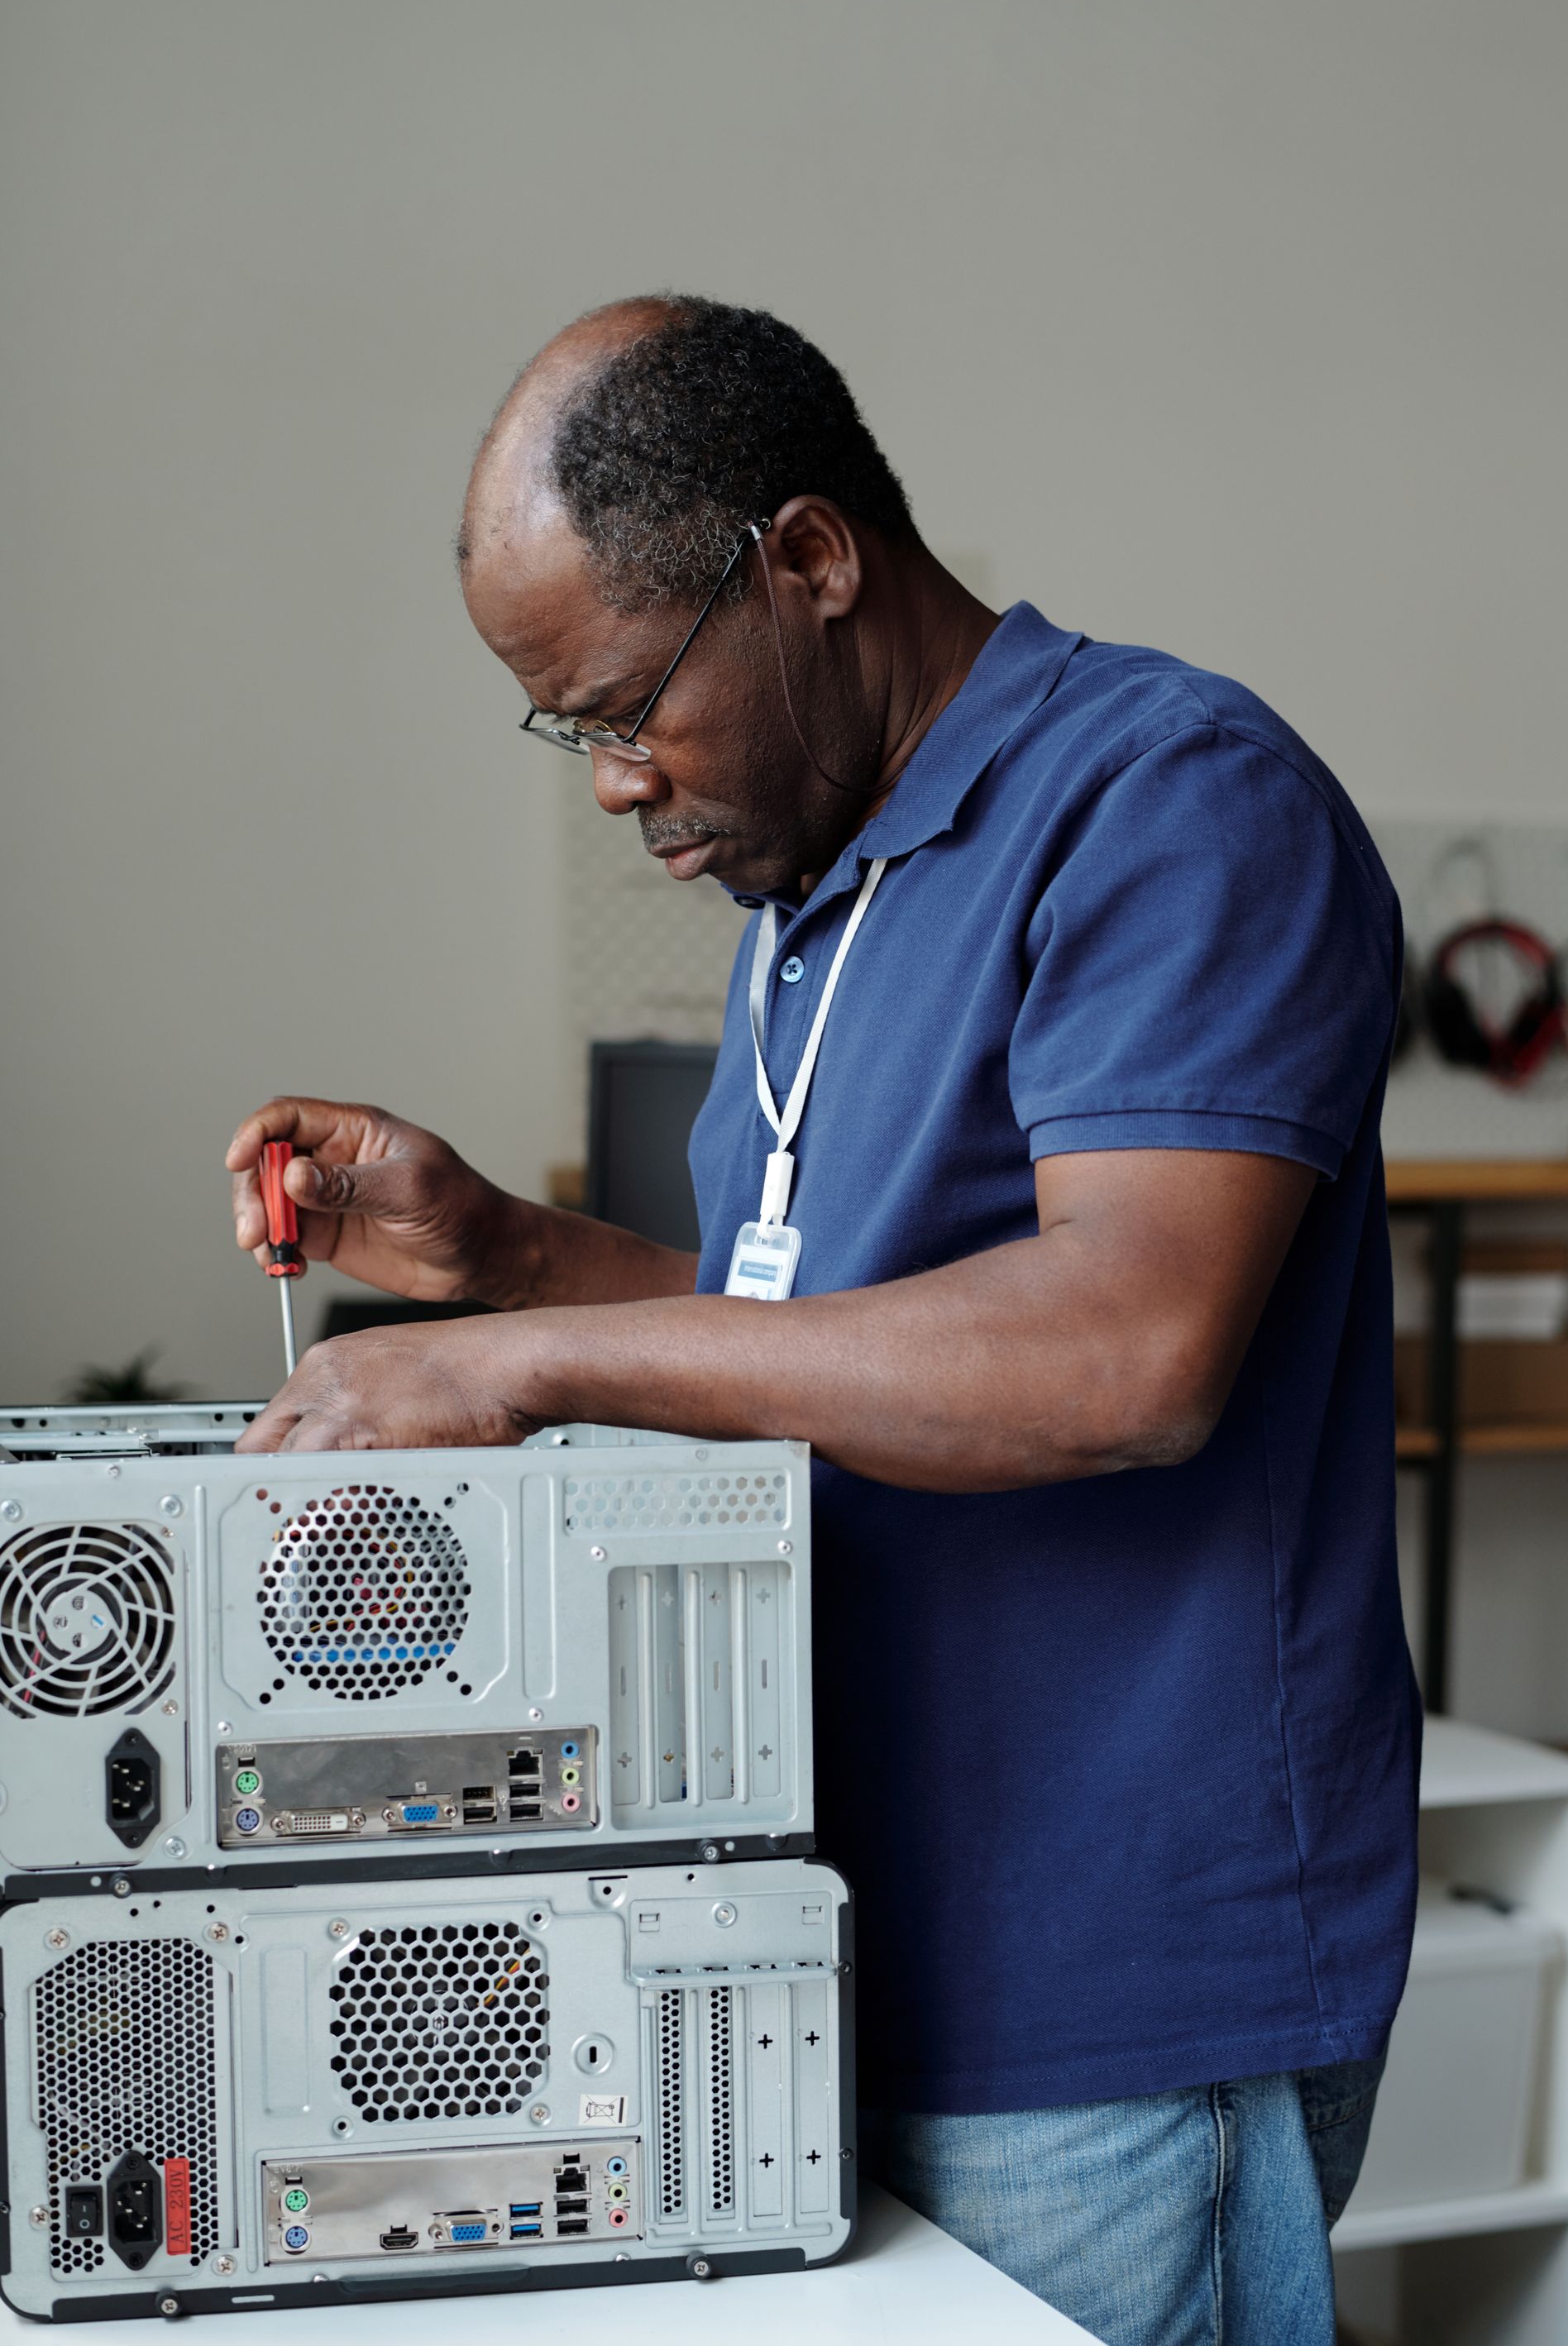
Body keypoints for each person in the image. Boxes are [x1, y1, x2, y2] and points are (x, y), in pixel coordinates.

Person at [226, 296, 1419, 2346]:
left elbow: (1118, 1353)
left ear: (810, 561)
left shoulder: (1170, 801)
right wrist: (510, 1254)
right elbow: (827, 1335)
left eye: (625, 709)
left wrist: (522, 1363)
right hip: (831, 1944)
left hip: (1106, 1993)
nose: (615, 788)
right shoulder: (813, 901)